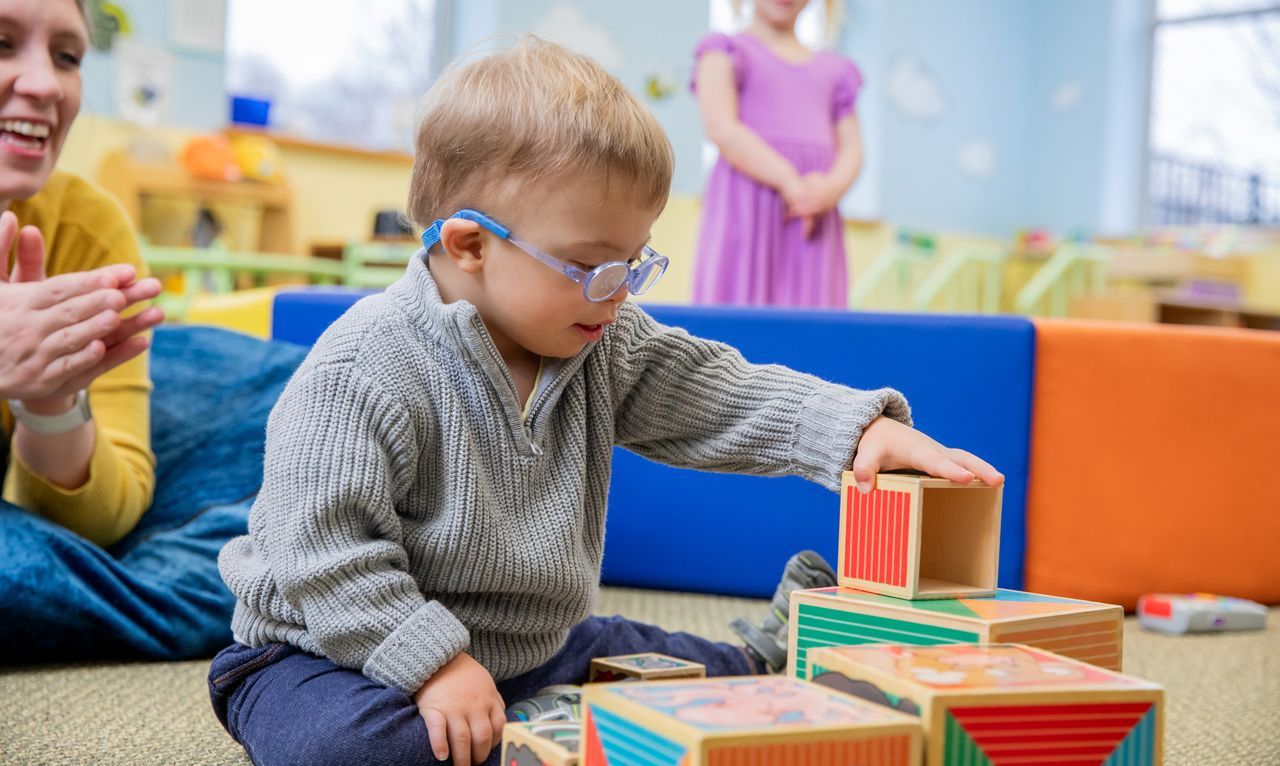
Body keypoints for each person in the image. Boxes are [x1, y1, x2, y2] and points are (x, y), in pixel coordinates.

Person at [208, 37, 1001, 766]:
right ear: (470, 245)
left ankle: (762, 654)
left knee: (645, 667)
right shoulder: (364, 365)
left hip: (524, 651)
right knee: (362, 752)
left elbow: (716, 392)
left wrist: (853, 430)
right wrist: (433, 664)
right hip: (323, 653)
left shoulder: (598, 339)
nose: (617, 293)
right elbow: (325, 554)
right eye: (593, 266)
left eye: (633, 262)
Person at [0, 0, 163, 549]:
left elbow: (102, 522)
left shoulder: (87, 233)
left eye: (66, 56)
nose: (46, 85)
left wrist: (50, 405)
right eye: (1, 45)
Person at [692, 0, 864, 308]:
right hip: (745, 210)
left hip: (813, 216)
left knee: (813, 318)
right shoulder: (724, 51)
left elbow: (852, 148)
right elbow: (720, 128)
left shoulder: (836, 71)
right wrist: (790, 182)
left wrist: (829, 189)